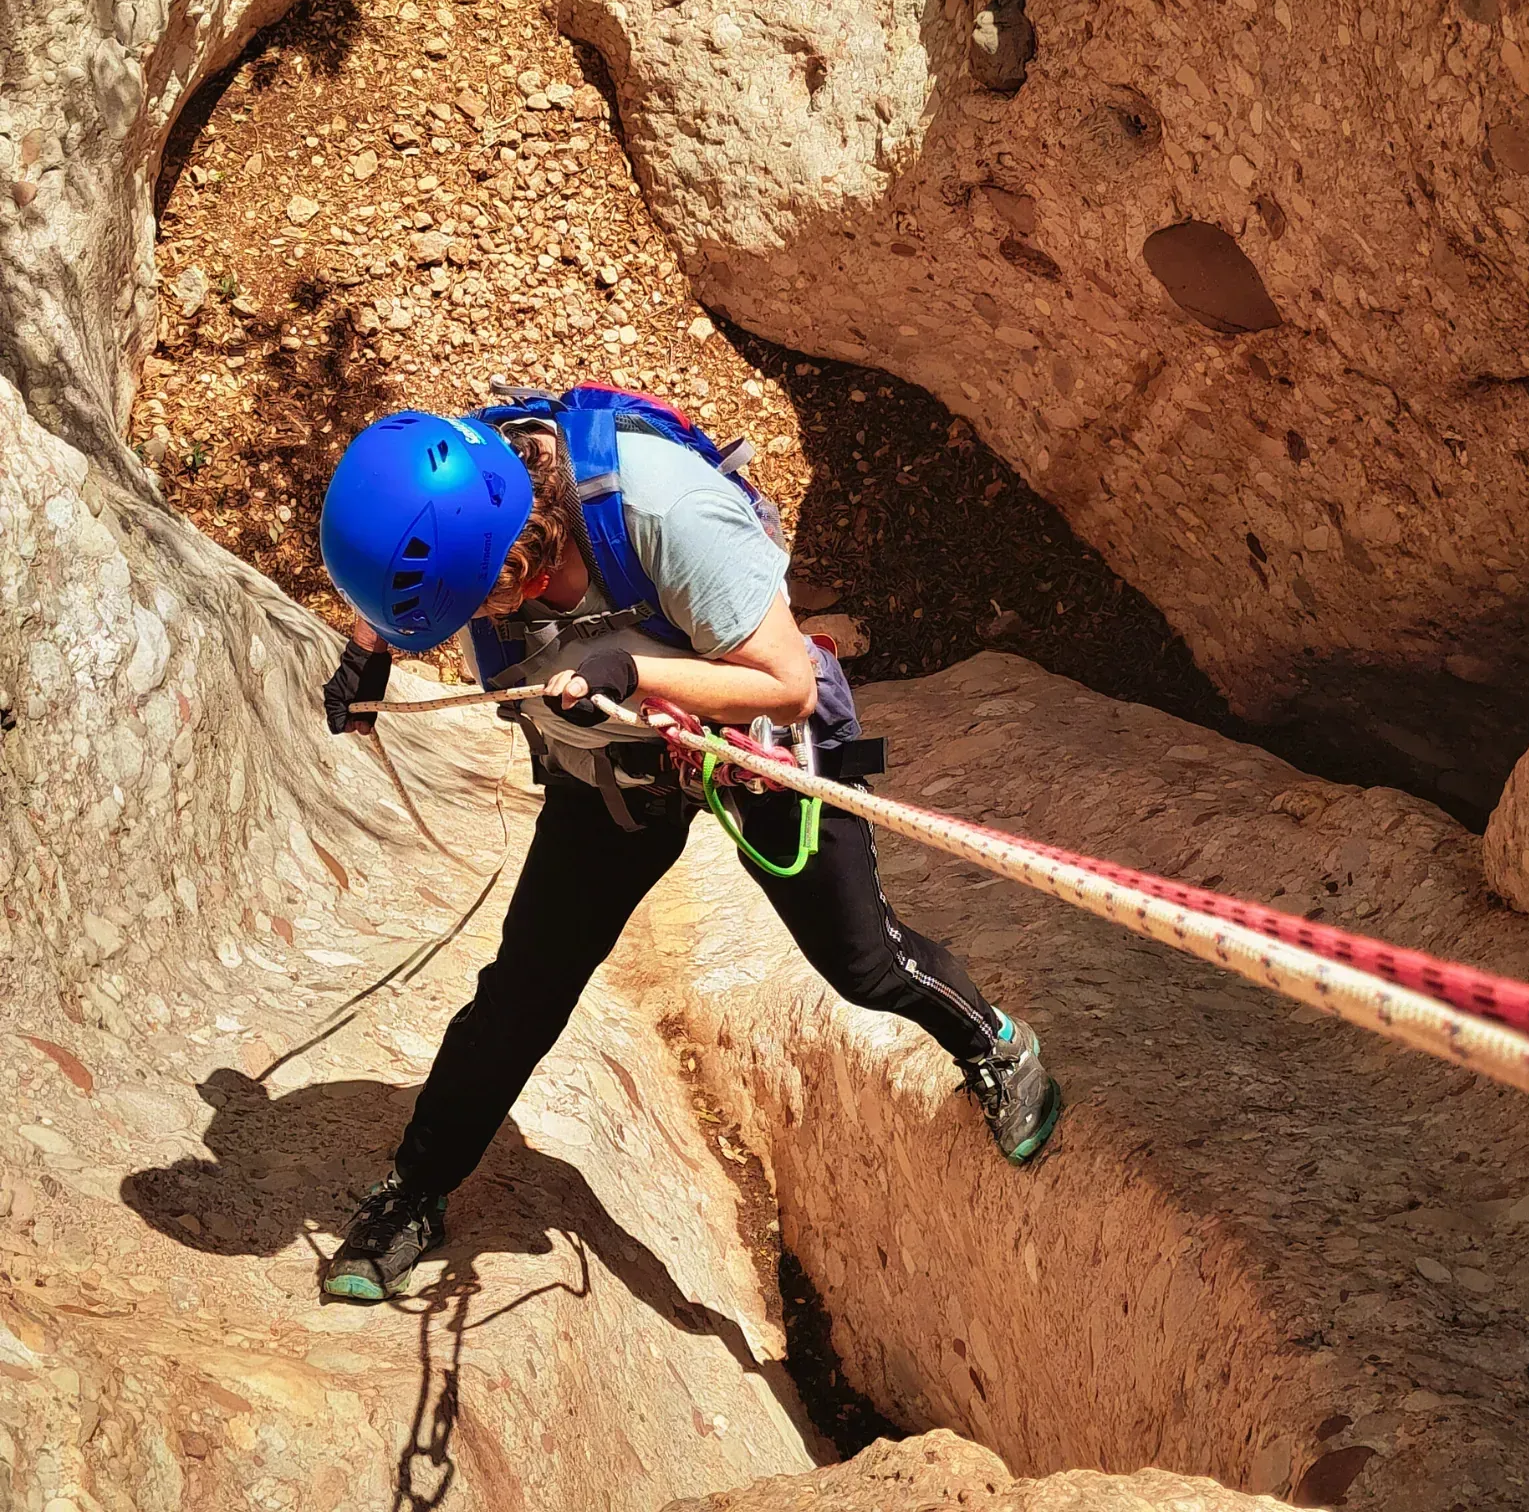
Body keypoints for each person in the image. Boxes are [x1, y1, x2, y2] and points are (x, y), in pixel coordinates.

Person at [315, 391, 1060, 1302]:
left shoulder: (660, 510)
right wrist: (370, 649)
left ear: (515, 556)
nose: (468, 628)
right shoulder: (454, 494)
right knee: (519, 996)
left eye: (470, 605)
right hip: (612, 781)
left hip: (749, 746)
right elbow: (405, 552)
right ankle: (415, 1191)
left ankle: (996, 1043)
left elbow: (786, 686)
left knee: (863, 964)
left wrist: (632, 670)